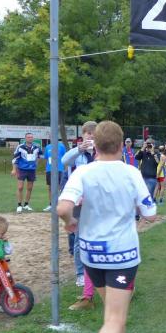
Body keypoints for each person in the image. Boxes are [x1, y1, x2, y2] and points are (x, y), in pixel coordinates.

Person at [57, 120, 157, 333]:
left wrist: (70, 222)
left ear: (94, 145)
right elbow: (150, 214)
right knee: (114, 317)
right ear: (122, 144)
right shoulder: (131, 172)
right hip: (121, 253)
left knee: (112, 314)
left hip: (91, 253)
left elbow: (63, 207)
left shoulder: (83, 172)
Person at [62, 123, 97, 288]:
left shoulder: (99, 153)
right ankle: (80, 273)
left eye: (94, 133)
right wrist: (79, 149)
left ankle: (95, 269)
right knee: (78, 238)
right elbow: (64, 161)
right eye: (88, 133)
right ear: (83, 134)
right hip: (78, 201)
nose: (91, 136)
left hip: (95, 201)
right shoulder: (77, 153)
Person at [11, 133, 42, 213]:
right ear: (25, 138)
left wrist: (36, 164)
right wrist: (14, 169)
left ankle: (26, 204)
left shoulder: (37, 147)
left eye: (31, 137)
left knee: (30, 188)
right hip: (22, 169)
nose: (30, 138)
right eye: (28, 137)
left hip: (32, 170)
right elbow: (15, 158)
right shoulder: (20, 147)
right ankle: (19, 205)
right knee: (20, 187)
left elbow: (39, 156)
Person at [42, 139, 67, 212]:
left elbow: (65, 158)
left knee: (60, 187)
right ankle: (51, 204)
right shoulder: (48, 147)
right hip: (50, 169)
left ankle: (59, 204)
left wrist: (65, 168)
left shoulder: (61, 146)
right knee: (50, 187)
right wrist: (46, 168)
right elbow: (46, 158)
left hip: (59, 169)